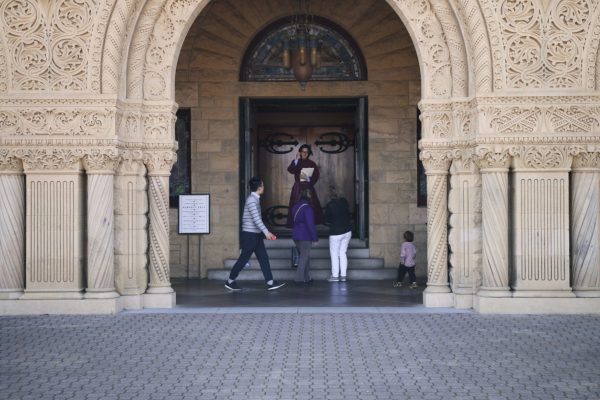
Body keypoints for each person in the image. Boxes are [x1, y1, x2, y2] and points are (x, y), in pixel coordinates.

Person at [225, 177, 285, 291]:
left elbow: (257, 220)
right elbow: (257, 219)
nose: (263, 187)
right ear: (258, 187)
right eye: (262, 185)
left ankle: (270, 282)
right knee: (243, 259)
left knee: (263, 258)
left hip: (256, 235)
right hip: (249, 236)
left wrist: (265, 232)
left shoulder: (255, 199)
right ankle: (230, 281)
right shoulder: (252, 200)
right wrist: (266, 232)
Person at [286, 144, 324, 228]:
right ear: (300, 152)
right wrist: (295, 161)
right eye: (303, 151)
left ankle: (309, 223)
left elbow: (316, 175)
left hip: (308, 187)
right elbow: (290, 170)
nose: (305, 153)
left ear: (309, 153)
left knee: (309, 205)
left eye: (307, 152)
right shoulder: (296, 162)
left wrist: (309, 181)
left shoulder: (312, 163)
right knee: (296, 204)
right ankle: (297, 223)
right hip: (298, 188)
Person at [290, 189, 318, 284]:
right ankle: (298, 279)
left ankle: (307, 278)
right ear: (308, 196)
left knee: (305, 256)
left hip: (296, 234)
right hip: (305, 235)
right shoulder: (308, 208)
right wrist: (315, 238)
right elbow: (310, 224)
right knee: (304, 257)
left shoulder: (295, 207)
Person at [325, 186, 352, 282]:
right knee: (343, 253)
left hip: (335, 232)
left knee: (334, 254)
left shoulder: (330, 205)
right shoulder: (344, 202)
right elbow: (349, 214)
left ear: (330, 195)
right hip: (347, 231)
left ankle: (335, 276)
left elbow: (327, 220)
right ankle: (343, 276)